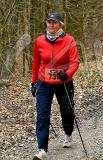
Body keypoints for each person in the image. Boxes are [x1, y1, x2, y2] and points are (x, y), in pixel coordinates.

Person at [31, 13, 79, 160]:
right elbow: (36, 63)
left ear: (60, 24)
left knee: (67, 111)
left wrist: (68, 73)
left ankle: (68, 133)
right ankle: (42, 149)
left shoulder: (69, 40)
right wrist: (33, 82)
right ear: (46, 24)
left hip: (63, 82)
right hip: (44, 83)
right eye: (49, 22)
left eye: (55, 22)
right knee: (42, 114)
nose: (52, 25)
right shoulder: (39, 41)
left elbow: (75, 62)